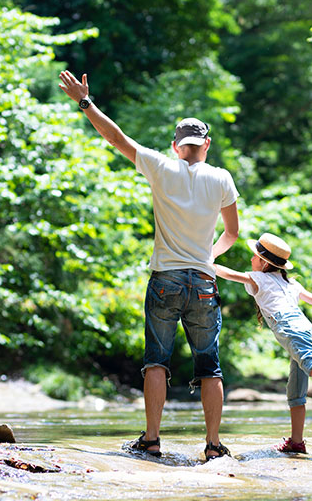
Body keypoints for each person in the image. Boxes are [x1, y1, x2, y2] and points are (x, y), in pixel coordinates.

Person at [58, 70, 240, 461]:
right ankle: (212, 445)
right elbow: (233, 234)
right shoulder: (222, 178)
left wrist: (85, 102)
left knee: (156, 360)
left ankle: (152, 440)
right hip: (204, 282)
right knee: (210, 365)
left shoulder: (159, 166)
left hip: (165, 280)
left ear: (176, 146)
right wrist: (208, 257)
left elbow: (115, 138)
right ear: (205, 145)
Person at [214, 232, 312, 454]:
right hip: (305, 327)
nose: (251, 260)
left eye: (254, 257)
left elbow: (230, 274)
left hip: (290, 329)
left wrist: (207, 264)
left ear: (264, 263)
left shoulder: (259, 278)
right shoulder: (290, 282)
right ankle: (296, 441)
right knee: (296, 391)